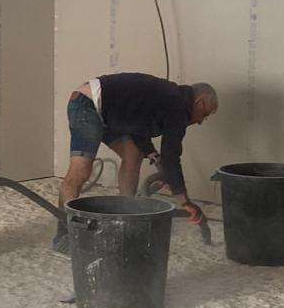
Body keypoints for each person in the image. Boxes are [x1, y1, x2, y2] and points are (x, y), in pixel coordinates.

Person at [52, 72, 218, 253]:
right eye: (204, 115)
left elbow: (136, 126)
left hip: (108, 112)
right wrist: (185, 202)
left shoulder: (169, 99)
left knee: (133, 154)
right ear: (199, 103)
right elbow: (171, 156)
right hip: (88, 103)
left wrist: (154, 157)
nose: (200, 122)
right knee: (80, 171)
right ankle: (64, 235)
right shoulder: (177, 105)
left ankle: (124, 217)